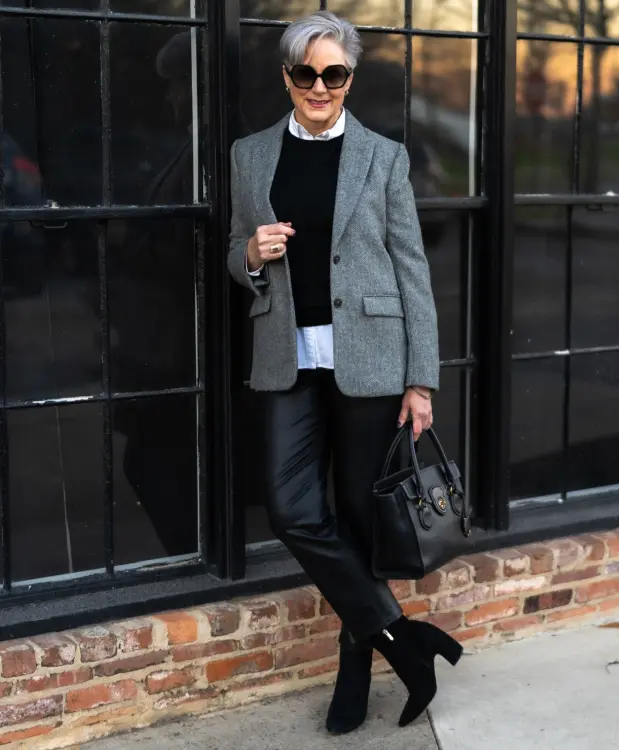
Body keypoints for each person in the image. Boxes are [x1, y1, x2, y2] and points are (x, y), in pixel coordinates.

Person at [227, 10, 461, 733]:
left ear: (350, 79)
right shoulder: (249, 155)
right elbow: (235, 249)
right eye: (306, 73)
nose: (319, 86)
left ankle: (354, 669)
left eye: (334, 73)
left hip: (372, 360)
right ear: (287, 77)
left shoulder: (383, 157)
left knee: (361, 521)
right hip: (287, 357)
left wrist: (420, 380)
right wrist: (250, 255)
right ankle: (403, 638)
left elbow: (412, 269)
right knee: (293, 509)